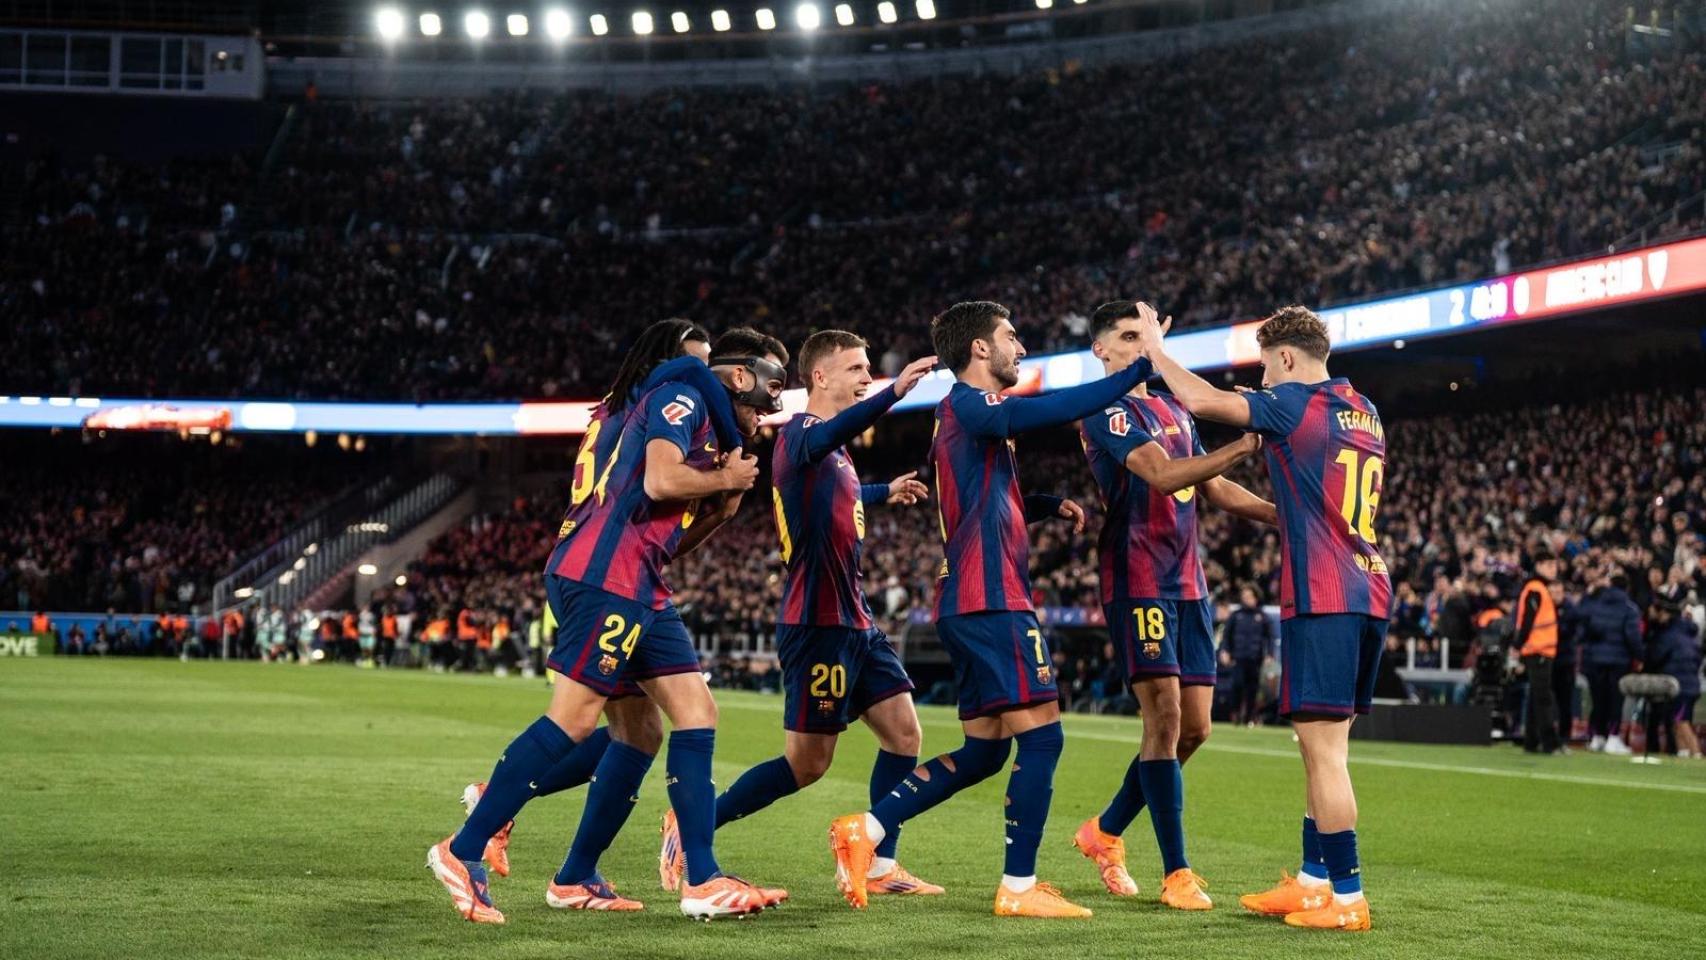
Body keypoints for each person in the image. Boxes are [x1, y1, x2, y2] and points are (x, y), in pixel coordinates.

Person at [430, 326, 787, 923]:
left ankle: (612, 877)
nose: (693, 370)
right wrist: (723, 479)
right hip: (608, 575)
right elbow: (659, 482)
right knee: (573, 720)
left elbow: (666, 529)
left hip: (635, 577)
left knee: (670, 722)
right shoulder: (684, 398)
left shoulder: (627, 409)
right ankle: (465, 848)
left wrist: (721, 508)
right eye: (689, 360)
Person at [829, 300, 1162, 920]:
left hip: (970, 596)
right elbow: (1050, 409)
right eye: (1011, 337)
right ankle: (1018, 886)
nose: (1022, 348)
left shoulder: (969, 422)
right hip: (991, 599)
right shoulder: (966, 403)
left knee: (984, 751)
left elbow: (980, 498)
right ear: (980, 349)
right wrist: (1136, 369)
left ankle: (867, 831)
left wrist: (1040, 503)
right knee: (1044, 738)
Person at [661, 331, 942, 899]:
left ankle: (880, 863)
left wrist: (887, 488)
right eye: (857, 368)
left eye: (871, 368)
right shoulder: (800, 434)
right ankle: (692, 827)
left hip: (855, 619)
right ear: (820, 377)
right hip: (817, 624)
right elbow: (831, 439)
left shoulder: (831, 451)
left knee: (905, 735)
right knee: (807, 764)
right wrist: (894, 391)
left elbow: (843, 494)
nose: (867, 375)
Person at [1139, 304, 1389, 932]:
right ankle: (1312, 881)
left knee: (1324, 752)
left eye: (1265, 368)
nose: (1263, 381)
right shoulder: (1364, 407)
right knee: (1323, 746)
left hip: (1323, 593)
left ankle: (1348, 899)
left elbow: (1199, 400)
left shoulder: (1290, 403)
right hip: (1370, 587)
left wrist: (1155, 352)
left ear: (1284, 358)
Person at [1068, 300, 1275, 911]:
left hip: (1189, 583)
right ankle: (1177, 872)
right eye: (1128, 338)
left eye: (1147, 336)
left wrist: (1284, 516)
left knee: (1196, 729)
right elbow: (1163, 476)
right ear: (1101, 350)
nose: (1141, 346)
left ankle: (1102, 831)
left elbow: (1212, 487)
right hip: (1137, 579)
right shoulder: (1103, 406)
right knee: (1162, 722)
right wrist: (1242, 445)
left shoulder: (1171, 404)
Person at [1578, 571, 1642, 754]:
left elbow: (1584, 631)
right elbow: (1633, 637)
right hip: (1618, 661)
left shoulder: (1595, 605)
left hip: (1594, 660)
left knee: (1598, 700)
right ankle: (1613, 738)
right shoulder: (1629, 609)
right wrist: (1640, 656)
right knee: (1615, 700)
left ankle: (1597, 737)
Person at [1514, 551, 1564, 754]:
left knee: (1536, 697)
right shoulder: (1536, 589)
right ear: (1539, 566)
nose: (1554, 569)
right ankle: (1549, 743)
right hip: (1538, 650)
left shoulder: (1539, 588)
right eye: (1550, 565)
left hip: (1540, 650)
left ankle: (1531, 741)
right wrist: (1518, 646)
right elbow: (1527, 621)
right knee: (1543, 698)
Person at [1643, 587, 1700, 757]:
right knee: (1678, 720)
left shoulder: (1668, 635)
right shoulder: (1684, 632)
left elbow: (1655, 657)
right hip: (1689, 681)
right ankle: (1683, 753)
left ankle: (1696, 755)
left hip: (1681, 683)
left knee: (1681, 721)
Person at [1224, 587, 1274, 726]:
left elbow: (1270, 638)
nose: (1246, 599)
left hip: (1255, 658)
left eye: (1249, 596)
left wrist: (1270, 654)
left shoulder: (1262, 616)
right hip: (1238, 657)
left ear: (1256, 597)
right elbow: (1227, 636)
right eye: (1244, 596)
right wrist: (1225, 651)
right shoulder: (1236, 615)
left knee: (1253, 689)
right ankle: (1235, 714)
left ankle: (1249, 717)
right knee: (1237, 685)